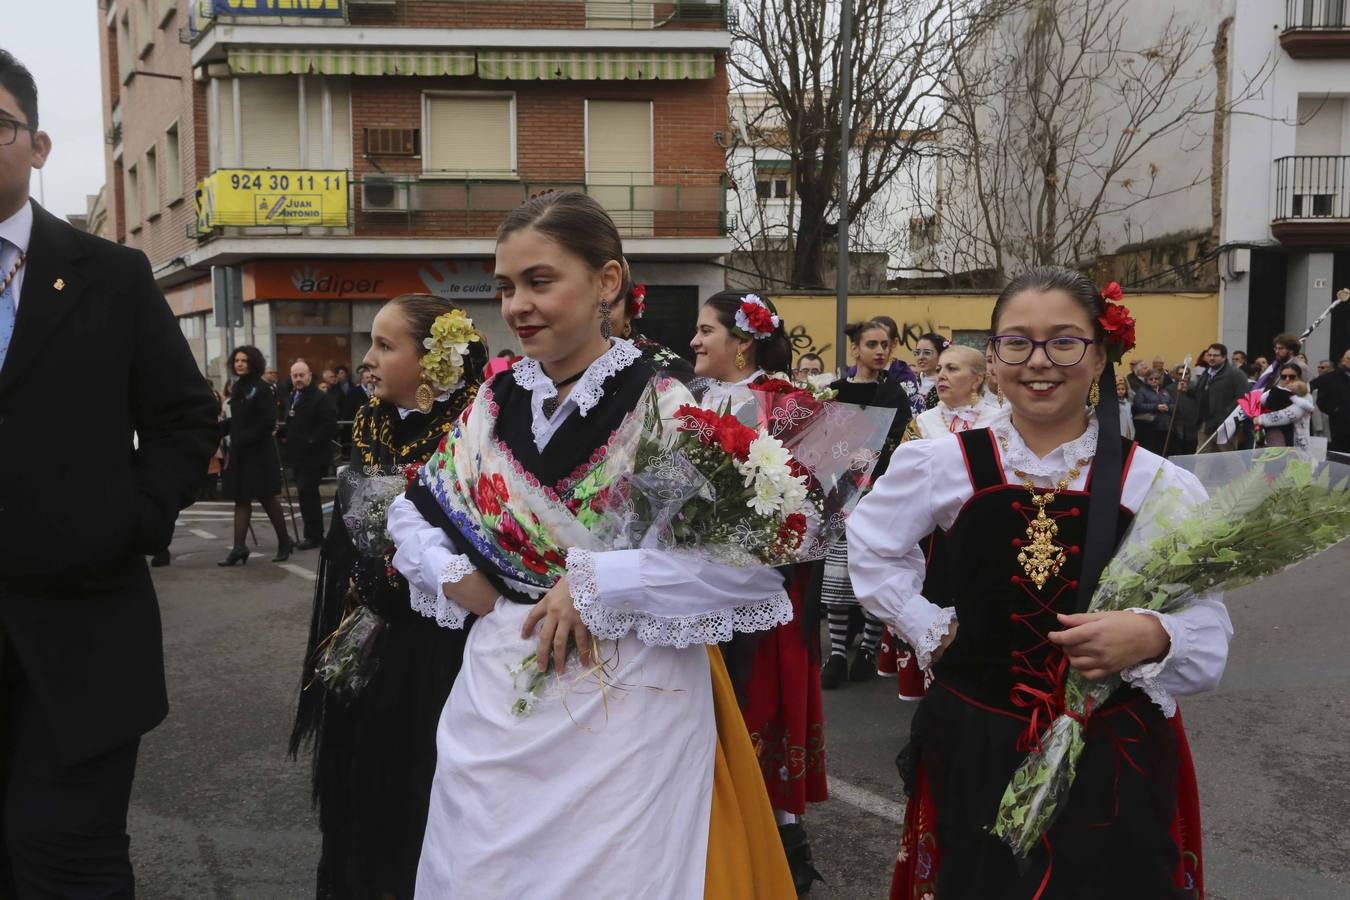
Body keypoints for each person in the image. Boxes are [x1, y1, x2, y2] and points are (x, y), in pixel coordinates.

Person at [386, 192, 794, 896]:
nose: (518, 306)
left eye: (540, 282)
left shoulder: (668, 408)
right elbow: (412, 509)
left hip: (629, 711)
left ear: (607, 282)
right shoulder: (495, 402)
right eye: (506, 287)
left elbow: (751, 570)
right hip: (498, 694)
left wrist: (601, 580)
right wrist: (450, 571)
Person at [849, 266, 1231, 898]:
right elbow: (869, 545)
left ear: (1101, 352)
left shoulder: (1156, 483)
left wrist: (1151, 635)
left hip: (1114, 750)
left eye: (1064, 341)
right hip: (977, 737)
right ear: (994, 357)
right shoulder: (943, 462)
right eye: (1017, 342)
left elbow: (1209, 628)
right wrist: (929, 627)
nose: (1039, 361)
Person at [0, 49, 219, 895]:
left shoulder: (113, 276)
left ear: (39, 144)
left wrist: (132, 520)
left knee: (68, 866)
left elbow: (182, 418)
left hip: (84, 640)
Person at [290, 294, 488, 900]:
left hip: (436, 644)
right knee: (361, 774)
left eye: (385, 345)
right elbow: (350, 527)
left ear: (432, 362)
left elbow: (484, 539)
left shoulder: (474, 428)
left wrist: (407, 578)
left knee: (416, 778)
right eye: (371, 343)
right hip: (368, 623)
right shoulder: (373, 423)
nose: (368, 360)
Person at [688, 289, 826, 892]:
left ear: (742, 342)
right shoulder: (685, 400)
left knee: (761, 704)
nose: (693, 342)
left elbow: (822, 500)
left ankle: (778, 841)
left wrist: (768, 536)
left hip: (762, 586)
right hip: (690, 588)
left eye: (705, 331)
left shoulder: (790, 405)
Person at [819, 320, 912, 690]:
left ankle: (870, 648)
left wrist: (868, 456)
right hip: (840, 491)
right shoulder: (833, 392)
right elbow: (823, 439)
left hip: (880, 493)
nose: (880, 350)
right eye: (871, 343)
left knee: (875, 573)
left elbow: (894, 441)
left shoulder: (895, 394)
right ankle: (838, 653)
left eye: (885, 344)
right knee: (838, 577)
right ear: (854, 349)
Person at [219, 345, 294, 564]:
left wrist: (241, 436)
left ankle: (284, 542)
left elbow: (267, 422)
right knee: (241, 499)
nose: (239, 364)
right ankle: (239, 548)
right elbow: (240, 420)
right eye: (237, 360)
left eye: (244, 360)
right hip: (241, 454)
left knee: (268, 499)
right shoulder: (238, 387)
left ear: (253, 363)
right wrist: (222, 427)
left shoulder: (261, 388)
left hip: (260, 454)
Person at [283, 359, 338, 550]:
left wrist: (311, 440)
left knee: (308, 494)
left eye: (301, 375)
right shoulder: (293, 396)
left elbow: (329, 424)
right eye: (294, 376)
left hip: (314, 456)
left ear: (308, 375)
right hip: (298, 456)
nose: (298, 379)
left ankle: (314, 535)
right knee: (305, 496)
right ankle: (312, 534)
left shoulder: (320, 398)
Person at [1194, 342, 1249, 452]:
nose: (1211, 358)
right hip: (1205, 424)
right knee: (1203, 460)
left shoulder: (1235, 374)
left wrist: (1225, 414)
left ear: (1224, 357)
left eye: (1215, 355)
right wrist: (1186, 390)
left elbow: (1243, 398)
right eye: (1209, 355)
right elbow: (1199, 393)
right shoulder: (1207, 372)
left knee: (1229, 460)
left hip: (1225, 426)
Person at [1256, 363, 1315, 450]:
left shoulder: (1305, 396)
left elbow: (1288, 416)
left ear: (1299, 377)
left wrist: (1260, 419)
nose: (1287, 379)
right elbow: (1256, 403)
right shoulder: (1273, 391)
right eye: (1284, 377)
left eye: (1292, 377)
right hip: (1273, 441)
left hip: (1297, 443)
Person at [1311, 348, 1350, 454]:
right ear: (1342, 360)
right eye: (1348, 358)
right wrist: (1337, 411)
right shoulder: (1330, 378)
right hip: (1339, 429)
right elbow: (1322, 402)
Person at [1132, 368, 1172, 455]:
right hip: (1148, 428)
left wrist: (1168, 407)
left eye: (1156, 378)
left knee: (1162, 452)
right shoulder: (1142, 391)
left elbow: (1173, 404)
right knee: (1150, 452)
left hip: (1164, 427)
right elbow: (1138, 406)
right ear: (1146, 380)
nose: (1154, 381)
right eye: (1151, 379)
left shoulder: (1164, 391)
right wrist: (1156, 407)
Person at [910, 331, 948, 410]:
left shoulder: (948, 384)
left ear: (941, 355)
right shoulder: (911, 382)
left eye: (927, 353)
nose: (920, 357)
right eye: (917, 352)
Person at [1115, 376, 1136, 440]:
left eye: (1123, 389)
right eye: (1118, 389)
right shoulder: (1114, 403)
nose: (1121, 391)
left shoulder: (1128, 402)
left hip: (1129, 425)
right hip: (1120, 425)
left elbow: (1132, 393)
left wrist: (1126, 381)